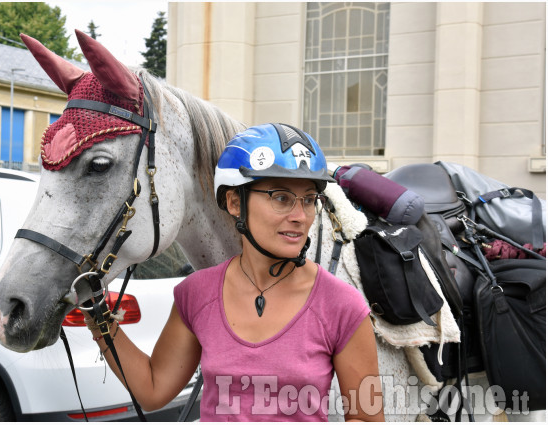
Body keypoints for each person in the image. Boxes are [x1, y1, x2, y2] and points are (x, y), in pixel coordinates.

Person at [84, 123, 384, 421]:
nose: (300, 216)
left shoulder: (342, 305)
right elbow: (153, 389)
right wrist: (98, 318)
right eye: (281, 198)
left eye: (308, 200)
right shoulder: (197, 293)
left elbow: (368, 418)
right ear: (234, 202)